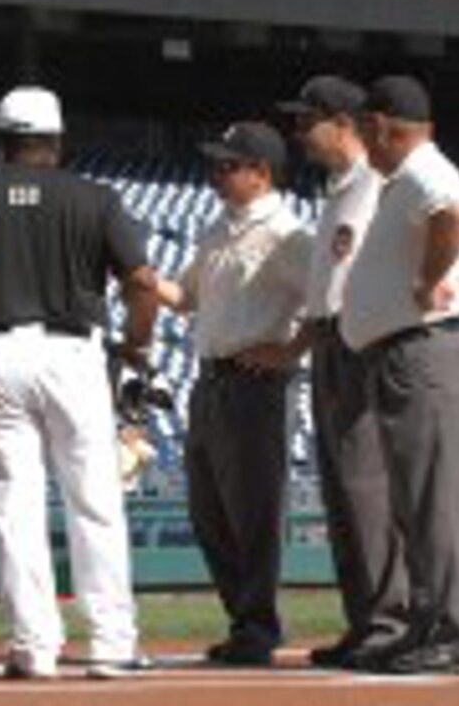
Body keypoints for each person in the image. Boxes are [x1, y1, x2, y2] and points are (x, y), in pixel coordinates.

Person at [0, 86, 158, 679]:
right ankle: (113, 642)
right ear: (58, 139)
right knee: (93, 499)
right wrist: (136, 343)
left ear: (1, 140)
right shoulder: (95, 198)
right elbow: (141, 280)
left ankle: (33, 646)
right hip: (72, 352)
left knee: (14, 502)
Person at [156, 122, 312, 666]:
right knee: (208, 511)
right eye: (217, 164)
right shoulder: (218, 228)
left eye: (229, 165)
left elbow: (327, 300)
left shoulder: (287, 232)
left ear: (262, 172)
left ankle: (258, 626)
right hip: (210, 378)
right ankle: (245, 620)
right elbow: (184, 297)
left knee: (252, 511)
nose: (217, 173)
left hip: (255, 383)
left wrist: (290, 351)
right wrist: (138, 273)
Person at [278, 76, 409, 668]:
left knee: (367, 487)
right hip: (330, 339)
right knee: (341, 490)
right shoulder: (339, 190)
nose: (299, 134)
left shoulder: (379, 185)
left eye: (309, 122)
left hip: (361, 339)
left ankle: (389, 621)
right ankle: (365, 620)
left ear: (344, 123)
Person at [341, 76, 459, 674]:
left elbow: (450, 216)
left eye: (366, 129)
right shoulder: (405, 178)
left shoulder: (423, 171)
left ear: (384, 126)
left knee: (432, 497)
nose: (365, 142)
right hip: (401, 352)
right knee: (415, 500)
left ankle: (452, 624)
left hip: (420, 349)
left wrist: (426, 278)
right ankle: (429, 618)